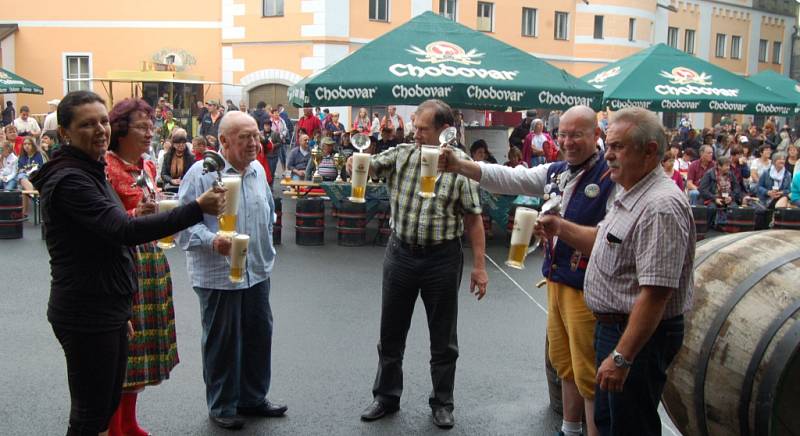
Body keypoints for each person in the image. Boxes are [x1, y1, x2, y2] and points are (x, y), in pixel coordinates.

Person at [30, 90, 225, 436]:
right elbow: (122, 229)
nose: (100, 130)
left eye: (103, 121)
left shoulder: (89, 169)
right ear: (64, 133)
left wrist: (121, 312)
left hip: (105, 306)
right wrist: (196, 208)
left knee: (104, 406)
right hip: (86, 310)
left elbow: (109, 240)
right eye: (87, 124)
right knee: (91, 415)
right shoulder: (72, 179)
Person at [440, 105, 615, 436]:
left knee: (589, 372)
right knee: (564, 362)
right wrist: (462, 165)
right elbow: (510, 178)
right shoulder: (556, 171)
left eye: (576, 134)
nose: (567, 141)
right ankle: (569, 427)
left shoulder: (610, 176)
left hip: (590, 287)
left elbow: (612, 238)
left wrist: (559, 228)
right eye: (562, 134)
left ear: (596, 136)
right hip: (556, 280)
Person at [535, 107, 694, 436]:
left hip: (634, 336)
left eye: (618, 147)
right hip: (613, 328)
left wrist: (622, 356)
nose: (607, 155)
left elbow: (656, 294)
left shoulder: (660, 206)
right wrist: (558, 227)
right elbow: (603, 240)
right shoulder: (632, 191)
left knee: (628, 426)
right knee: (609, 423)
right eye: (608, 145)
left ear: (650, 150)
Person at [356, 99, 487, 429]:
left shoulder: (461, 165)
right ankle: (386, 396)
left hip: (442, 258)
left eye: (422, 128)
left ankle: (442, 402)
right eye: (415, 126)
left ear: (444, 131)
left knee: (443, 338)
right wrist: (358, 162)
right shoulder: (402, 154)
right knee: (391, 333)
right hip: (400, 253)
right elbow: (368, 167)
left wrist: (480, 267)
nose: (415, 133)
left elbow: (474, 219)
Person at [177, 111, 285, 431]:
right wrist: (213, 241)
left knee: (258, 336)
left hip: (256, 272)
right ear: (223, 141)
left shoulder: (255, 171)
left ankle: (252, 398)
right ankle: (222, 405)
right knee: (222, 343)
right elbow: (182, 226)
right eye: (245, 138)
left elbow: (266, 215)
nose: (255, 143)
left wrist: (267, 252)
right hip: (218, 275)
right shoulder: (202, 173)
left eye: (256, 135)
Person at [103, 98, 184, 436]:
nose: (150, 132)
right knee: (124, 352)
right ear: (120, 130)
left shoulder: (147, 167)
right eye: (141, 126)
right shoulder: (108, 168)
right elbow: (108, 223)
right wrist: (139, 216)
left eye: (151, 125)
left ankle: (130, 421)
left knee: (142, 351)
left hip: (150, 261)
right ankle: (115, 425)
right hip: (124, 263)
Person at [17, 136, 46, 215]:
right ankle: (35, 198)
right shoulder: (22, 157)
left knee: (23, 184)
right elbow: (20, 170)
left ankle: (24, 212)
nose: (26, 146)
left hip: (38, 178)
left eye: (29, 144)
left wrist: (28, 171)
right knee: (21, 177)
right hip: (26, 179)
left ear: (33, 145)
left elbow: (43, 169)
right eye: (25, 144)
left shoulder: (39, 155)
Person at [161, 129, 195, 193]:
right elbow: (163, 174)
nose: (181, 145)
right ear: (173, 145)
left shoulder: (191, 157)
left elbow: (192, 174)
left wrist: (182, 180)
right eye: (178, 143)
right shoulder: (167, 156)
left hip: (185, 186)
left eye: (183, 143)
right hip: (169, 187)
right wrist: (171, 180)